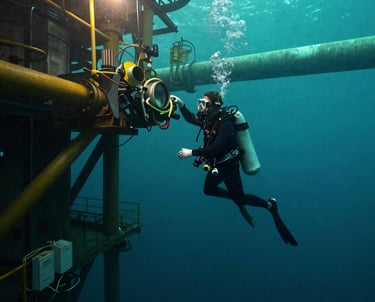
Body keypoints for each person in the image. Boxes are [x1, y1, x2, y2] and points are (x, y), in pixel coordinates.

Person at [172, 91, 298, 246]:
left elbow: (215, 150)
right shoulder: (208, 119)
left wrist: (191, 152)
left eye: (204, 104)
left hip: (229, 167)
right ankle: (236, 198)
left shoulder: (225, 125)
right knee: (209, 190)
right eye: (200, 103)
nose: (201, 107)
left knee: (240, 198)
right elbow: (192, 119)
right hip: (217, 165)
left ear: (214, 106)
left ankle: (270, 205)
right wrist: (181, 104)